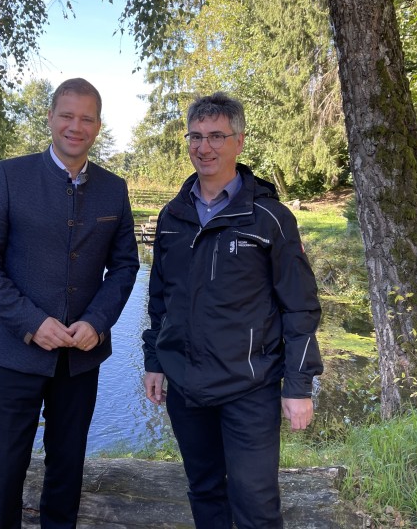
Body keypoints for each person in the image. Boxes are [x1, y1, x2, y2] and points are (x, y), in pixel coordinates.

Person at [0, 77, 140, 529]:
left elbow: (125, 267)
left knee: (67, 472)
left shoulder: (114, 189)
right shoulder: (9, 175)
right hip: (10, 353)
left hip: (80, 358)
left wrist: (97, 322)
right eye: (67, 115)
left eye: (87, 118)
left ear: (98, 126)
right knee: (2, 475)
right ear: (50, 118)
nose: (75, 126)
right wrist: (31, 322)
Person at [142, 92, 323, 529]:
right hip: (186, 385)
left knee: (255, 503)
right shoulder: (172, 216)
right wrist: (154, 361)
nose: (204, 147)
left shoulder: (269, 218)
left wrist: (298, 386)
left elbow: (300, 307)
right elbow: (160, 299)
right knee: (204, 490)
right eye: (196, 136)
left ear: (239, 142)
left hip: (250, 386)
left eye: (216, 136)